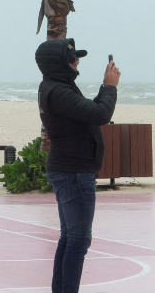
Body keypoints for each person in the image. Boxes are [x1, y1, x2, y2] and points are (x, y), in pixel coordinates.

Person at [36, 39, 119, 293]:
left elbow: (87, 111)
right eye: (71, 59)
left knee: (70, 237)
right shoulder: (59, 91)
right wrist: (109, 87)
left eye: (77, 58)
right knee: (79, 240)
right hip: (73, 172)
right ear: (58, 63)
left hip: (69, 170)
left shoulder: (57, 87)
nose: (76, 63)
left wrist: (104, 90)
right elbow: (100, 115)